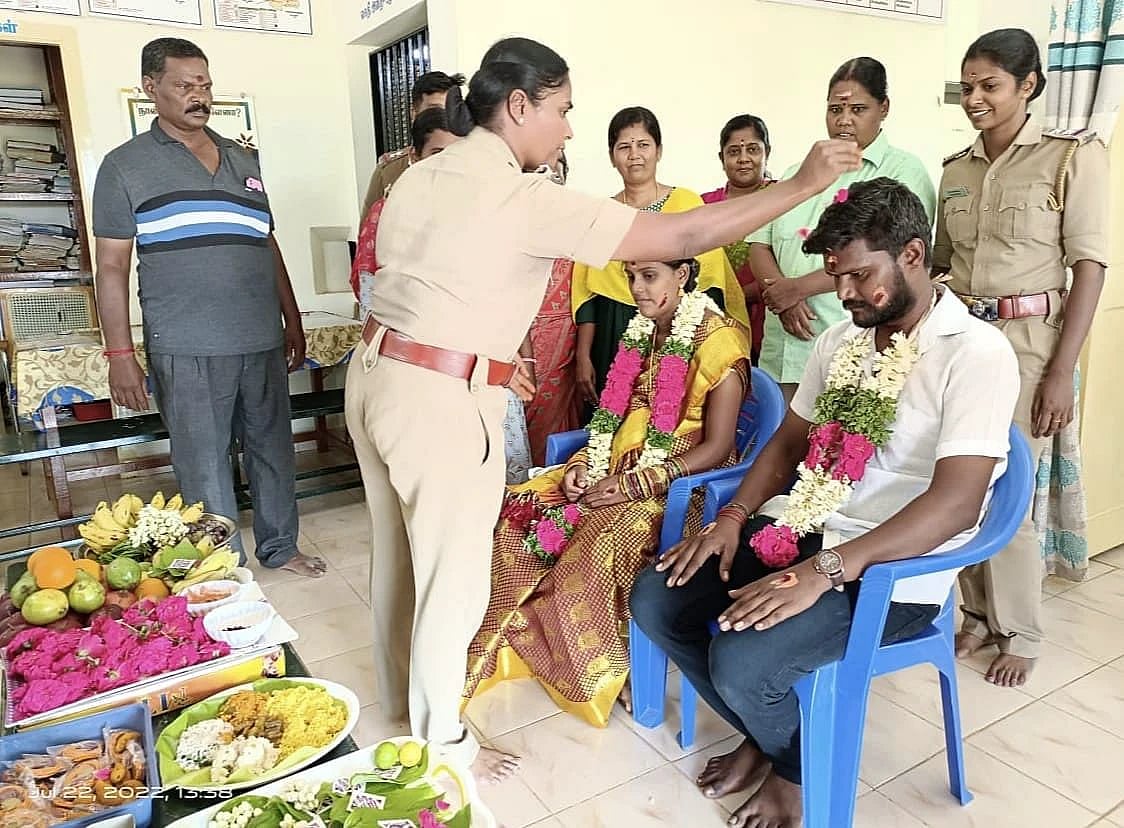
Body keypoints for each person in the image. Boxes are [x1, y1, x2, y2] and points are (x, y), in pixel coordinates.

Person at [342, 35, 860, 785]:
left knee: (398, 556)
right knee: (452, 574)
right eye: (562, 110)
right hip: (437, 396)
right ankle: (441, 746)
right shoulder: (517, 194)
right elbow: (685, 232)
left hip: (376, 374)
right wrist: (804, 183)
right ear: (519, 106)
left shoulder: (418, 175)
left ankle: (404, 701)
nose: (568, 130)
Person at [631, 178, 1019, 828]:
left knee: (742, 660)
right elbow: (788, 444)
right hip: (809, 526)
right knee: (658, 598)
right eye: (836, 275)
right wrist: (732, 518)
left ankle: (793, 770)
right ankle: (771, 739)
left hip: (894, 570)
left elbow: (957, 504)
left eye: (859, 275)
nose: (843, 293)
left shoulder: (976, 353)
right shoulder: (842, 341)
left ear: (913, 255)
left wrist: (826, 570)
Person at [464, 257, 750, 726]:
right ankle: (522, 639)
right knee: (522, 505)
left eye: (649, 276)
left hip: (684, 488)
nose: (637, 288)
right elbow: (613, 419)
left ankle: (605, 669)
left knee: (604, 535)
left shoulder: (720, 340)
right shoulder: (644, 330)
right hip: (616, 467)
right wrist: (584, 462)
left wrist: (638, 482)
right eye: (631, 276)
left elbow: (718, 447)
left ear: (682, 275)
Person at [92, 37, 325, 578]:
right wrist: (120, 354)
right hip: (187, 345)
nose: (199, 96)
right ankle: (222, 568)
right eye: (184, 85)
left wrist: (291, 319)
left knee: (273, 450)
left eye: (205, 84)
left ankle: (280, 547)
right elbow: (110, 266)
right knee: (203, 463)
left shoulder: (244, 160)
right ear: (150, 87)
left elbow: (266, 244)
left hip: (260, 338)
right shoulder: (125, 166)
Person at [935, 28, 1109, 688]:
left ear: (1028, 85)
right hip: (961, 344)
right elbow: (942, 265)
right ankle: (978, 614)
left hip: (1030, 347)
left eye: (990, 86)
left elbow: (1088, 267)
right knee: (959, 481)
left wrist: (1062, 371)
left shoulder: (1071, 158)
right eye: (967, 87)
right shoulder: (956, 170)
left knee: (1007, 486)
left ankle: (1022, 630)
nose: (974, 99)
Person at [748, 57, 936, 402]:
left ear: (884, 108)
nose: (844, 120)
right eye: (835, 109)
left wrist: (797, 289)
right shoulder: (798, 172)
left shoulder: (903, 172)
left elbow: (889, 257)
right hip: (783, 346)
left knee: (837, 434)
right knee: (779, 430)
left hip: (850, 347)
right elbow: (760, 243)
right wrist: (781, 294)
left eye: (858, 109)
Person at [572, 107, 749, 411]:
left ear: (659, 151)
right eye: (624, 147)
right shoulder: (601, 215)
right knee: (615, 417)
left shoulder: (686, 203)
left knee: (670, 417)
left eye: (643, 145)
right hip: (614, 332)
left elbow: (710, 283)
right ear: (612, 156)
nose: (634, 155)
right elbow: (588, 297)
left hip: (678, 331)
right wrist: (583, 356)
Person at [350, 107, 461, 316]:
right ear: (415, 156)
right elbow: (368, 290)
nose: (447, 163)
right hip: (403, 325)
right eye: (437, 153)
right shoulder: (385, 213)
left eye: (456, 154)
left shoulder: (477, 209)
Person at [702, 114, 776, 365]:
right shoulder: (703, 205)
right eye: (734, 151)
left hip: (769, 316)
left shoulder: (782, 199)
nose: (743, 158)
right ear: (721, 158)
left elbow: (791, 261)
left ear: (767, 152)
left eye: (752, 149)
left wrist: (740, 297)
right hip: (715, 318)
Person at [524, 151, 583, 464]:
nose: (547, 182)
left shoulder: (578, 227)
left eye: (555, 175)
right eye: (539, 174)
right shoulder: (505, 226)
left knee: (555, 422)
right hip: (518, 336)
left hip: (563, 340)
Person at [360, 70, 466, 219]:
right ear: (414, 113)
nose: (442, 117)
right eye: (434, 110)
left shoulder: (472, 166)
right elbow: (369, 228)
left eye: (449, 111)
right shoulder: (389, 172)